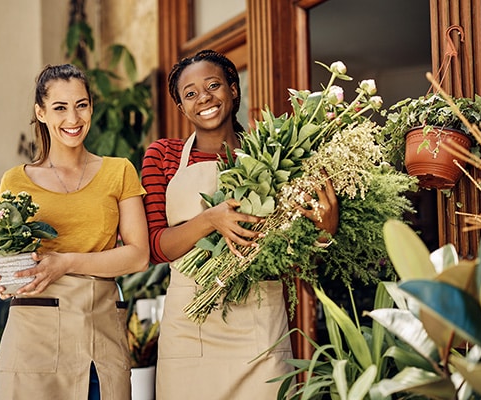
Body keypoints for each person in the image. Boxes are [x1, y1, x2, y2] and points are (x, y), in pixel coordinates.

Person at [141, 49, 339, 399]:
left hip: (259, 328)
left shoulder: (276, 156)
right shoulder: (164, 155)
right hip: (190, 327)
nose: (203, 97)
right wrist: (209, 221)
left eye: (213, 85)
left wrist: (325, 232)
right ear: (181, 107)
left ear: (234, 89)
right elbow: (156, 248)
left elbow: (296, 260)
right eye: (190, 94)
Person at [0, 63, 149, 400]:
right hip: (34, 337)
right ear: (40, 113)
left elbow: (139, 256)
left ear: (91, 107)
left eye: (82, 105)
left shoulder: (119, 172)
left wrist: (64, 262)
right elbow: (12, 255)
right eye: (60, 107)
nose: (73, 119)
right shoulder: (15, 180)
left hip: (97, 332)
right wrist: (1, 275)